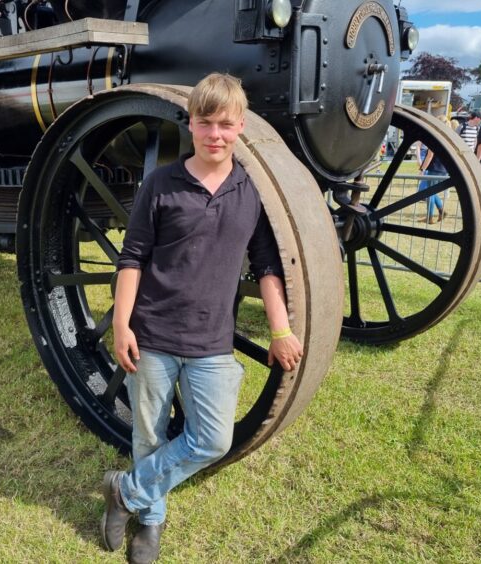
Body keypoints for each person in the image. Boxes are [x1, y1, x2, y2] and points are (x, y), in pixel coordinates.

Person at [101, 73, 303, 564]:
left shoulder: (252, 192)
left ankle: (126, 492)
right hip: (152, 332)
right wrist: (121, 324)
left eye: (226, 125)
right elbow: (132, 258)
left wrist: (280, 330)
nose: (216, 134)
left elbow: (268, 267)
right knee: (149, 434)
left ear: (241, 127)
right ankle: (150, 522)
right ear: (190, 123)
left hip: (212, 340)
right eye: (206, 123)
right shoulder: (161, 184)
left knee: (212, 439)